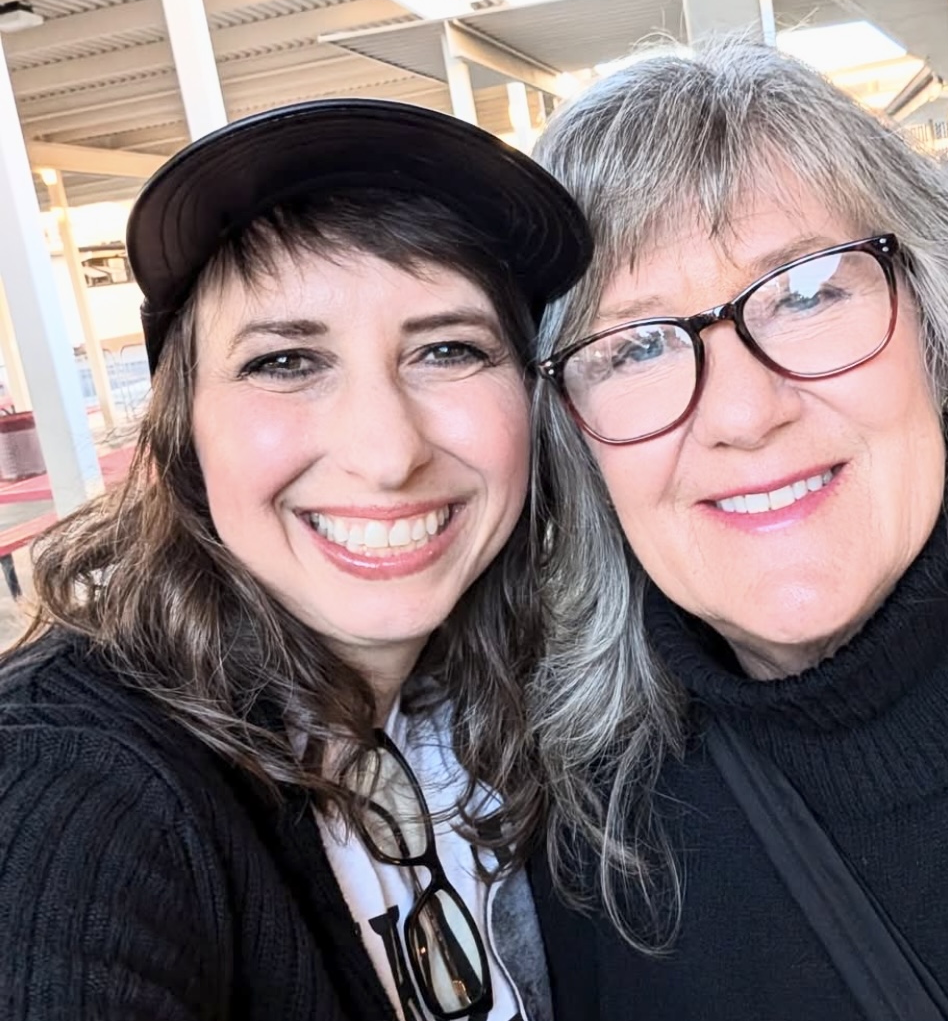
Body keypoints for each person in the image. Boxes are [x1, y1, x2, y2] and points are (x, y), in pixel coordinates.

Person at [525, 36, 948, 1021]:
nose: (743, 412)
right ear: (575, 443)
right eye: (633, 348)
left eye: (805, 293)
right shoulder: (586, 837)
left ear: (941, 331)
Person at [0, 99, 589, 1020]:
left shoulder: (536, 696)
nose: (388, 454)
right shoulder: (66, 781)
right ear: (184, 431)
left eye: (447, 350)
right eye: (285, 362)